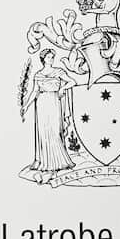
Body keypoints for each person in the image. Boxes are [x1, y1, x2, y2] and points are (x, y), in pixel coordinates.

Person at [28, 49, 76, 179]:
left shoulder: (58, 71)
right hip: (41, 104)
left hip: (54, 101)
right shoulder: (38, 74)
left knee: (55, 130)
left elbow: (72, 81)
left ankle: (57, 162)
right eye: (49, 57)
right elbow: (34, 91)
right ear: (43, 59)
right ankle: (45, 162)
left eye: (52, 57)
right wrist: (26, 105)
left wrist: (62, 88)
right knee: (43, 132)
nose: (51, 59)